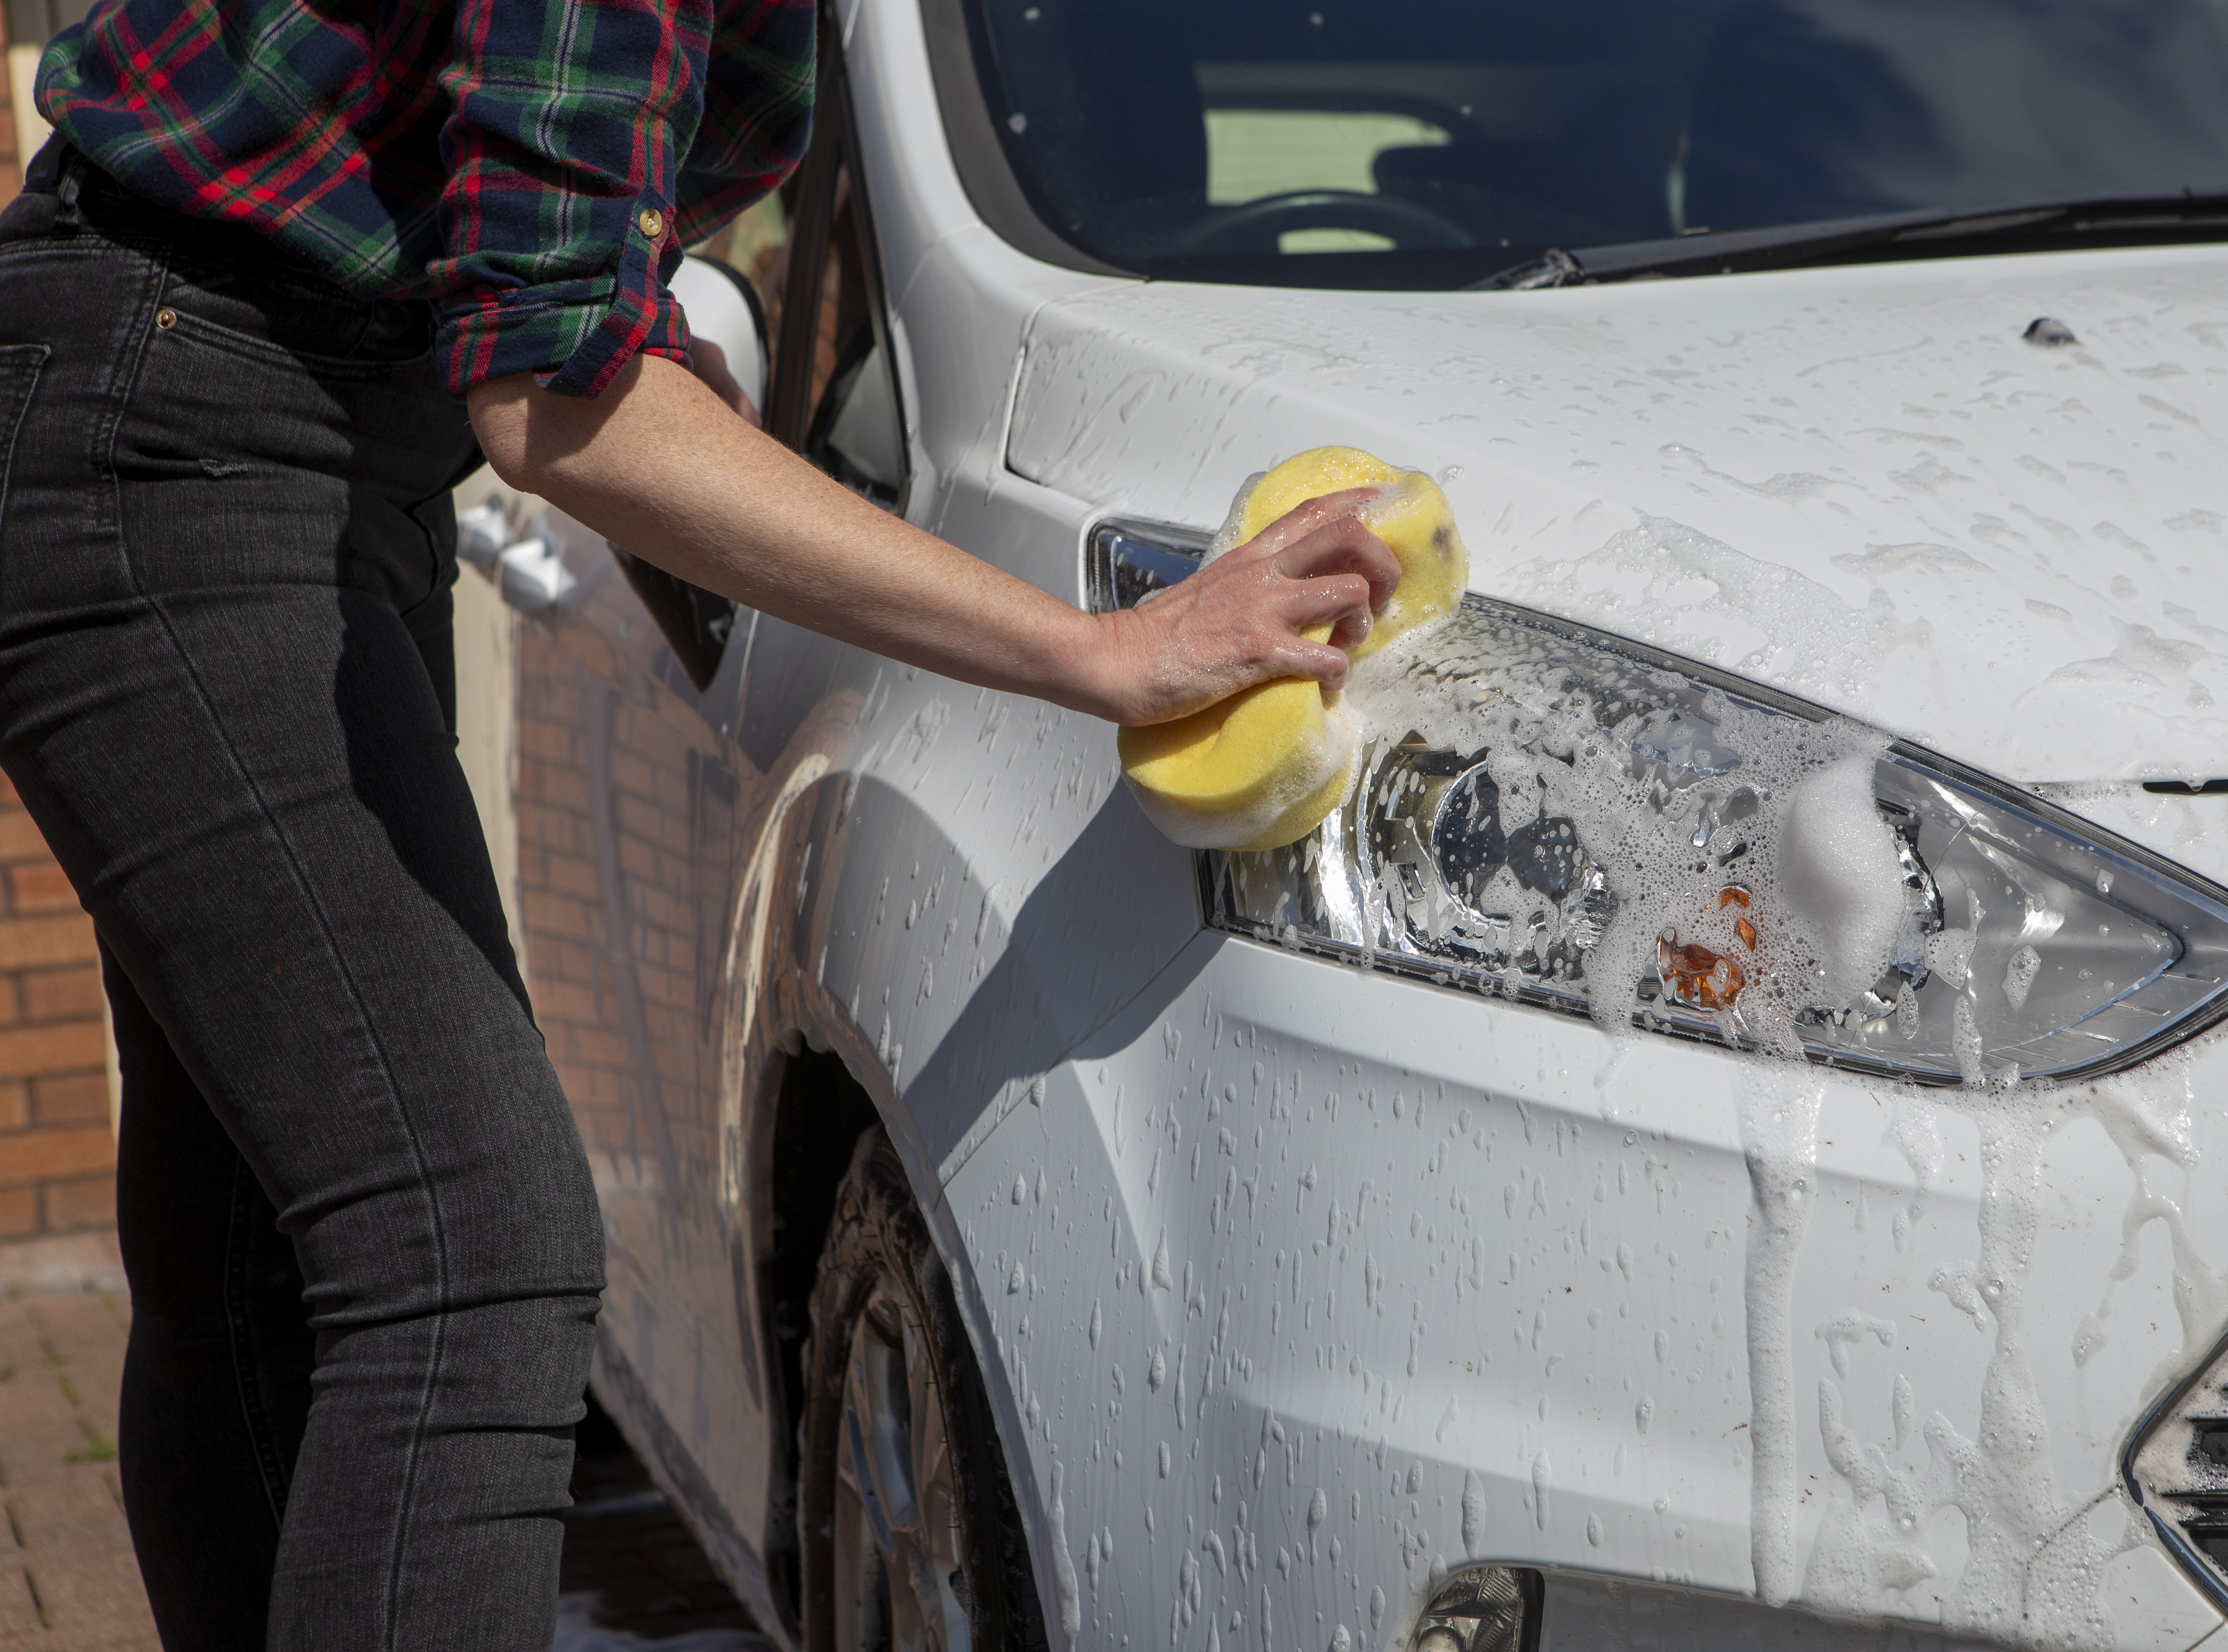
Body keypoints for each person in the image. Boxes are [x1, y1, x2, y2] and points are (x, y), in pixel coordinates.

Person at [0, 0, 1400, 1641]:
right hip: (175, 437)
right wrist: (1104, 650)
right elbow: (561, 398)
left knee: (265, 1247)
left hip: (282, 430)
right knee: (473, 1240)